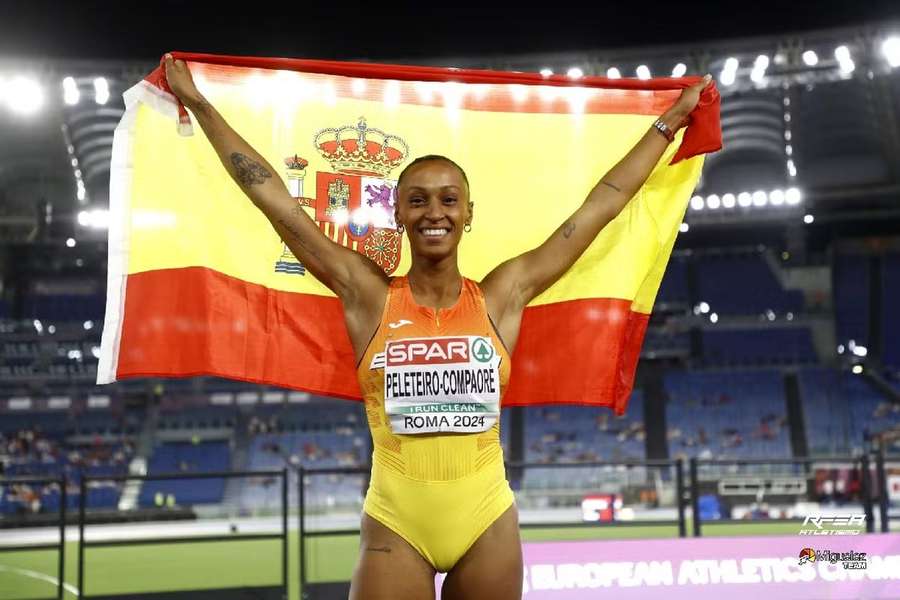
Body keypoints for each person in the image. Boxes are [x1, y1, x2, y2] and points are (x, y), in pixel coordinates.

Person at [164, 54, 710, 600]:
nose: (435, 212)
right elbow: (278, 204)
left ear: (469, 213)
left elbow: (603, 205)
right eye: (418, 200)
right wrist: (200, 104)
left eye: (450, 200)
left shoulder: (504, 293)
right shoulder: (368, 295)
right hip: (396, 525)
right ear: (396, 213)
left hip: (486, 521)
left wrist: (668, 125)